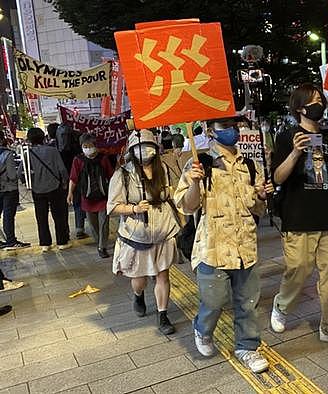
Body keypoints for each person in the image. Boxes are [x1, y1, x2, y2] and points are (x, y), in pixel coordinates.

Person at [175, 117, 274, 373]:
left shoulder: (250, 165)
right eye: (224, 127)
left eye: (234, 126)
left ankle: (247, 347)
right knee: (214, 300)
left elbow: (256, 207)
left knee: (247, 302)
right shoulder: (200, 163)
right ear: (211, 131)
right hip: (213, 247)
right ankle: (203, 329)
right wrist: (195, 181)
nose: (232, 131)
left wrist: (262, 195)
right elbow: (187, 205)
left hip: (245, 246)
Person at [269, 83, 328, 346]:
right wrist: (296, 152)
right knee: (298, 269)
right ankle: (282, 306)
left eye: (320, 99)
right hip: (298, 217)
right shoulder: (288, 136)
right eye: (313, 100)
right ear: (299, 108)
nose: (319, 104)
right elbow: (277, 177)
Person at [107, 129, 180, 335]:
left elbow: (170, 192)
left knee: (162, 275)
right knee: (139, 279)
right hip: (136, 235)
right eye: (139, 147)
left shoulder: (163, 168)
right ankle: (138, 295)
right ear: (132, 150)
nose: (145, 151)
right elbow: (112, 207)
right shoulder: (123, 174)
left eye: (148, 146)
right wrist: (134, 209)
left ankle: (163, 314)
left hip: (163, 232)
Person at [67, 134, 114, 258]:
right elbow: (73, 178)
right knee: (93, 225)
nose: (88, 148)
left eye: (90, 146)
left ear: (95, 146)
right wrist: (70, 193)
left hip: (104, 197)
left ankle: (101, 246)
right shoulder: (78, 160)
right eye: (85, 146)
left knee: (104, 222)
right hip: (87, 198)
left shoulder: (103, 159)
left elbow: (111, 176)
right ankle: (99, 241)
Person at [26, 127, 71, 253]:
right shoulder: (52, 151)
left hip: (37, 190)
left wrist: (30, 183)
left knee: (41, 217)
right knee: (59, 215)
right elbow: (62, 169)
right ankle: (62, 242)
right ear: (43, 137)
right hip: (55, 188)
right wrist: (65, 182)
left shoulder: (28, 153)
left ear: (30, 140)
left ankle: (45, 244)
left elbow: (21, 173)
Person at [56, 123, 87, 239]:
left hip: (66, 179)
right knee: (81, 202)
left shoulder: (57, 145)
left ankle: (66, 232)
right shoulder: (77, 145)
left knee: (69, 205)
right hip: (80, 177)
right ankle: (80, 228)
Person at [0, 138, 29, 250]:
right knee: (8, 216)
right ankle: (11, 240)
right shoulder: (7, 154)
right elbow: (12, 175)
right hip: (9, 189)